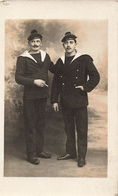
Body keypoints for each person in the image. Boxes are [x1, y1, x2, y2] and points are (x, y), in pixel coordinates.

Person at [51, 32, 100, 167]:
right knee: (68, 128)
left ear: (75, 44)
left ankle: (81, 157)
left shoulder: (84, 59)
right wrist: (54, 100)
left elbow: (95, 76)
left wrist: (85, 87)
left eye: (71, 42)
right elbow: (56, 82)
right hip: (65, 100)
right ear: (63, 45)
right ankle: (70, 152)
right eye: (66, 43)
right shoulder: (61, 61)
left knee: (82, 129)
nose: (68, 45)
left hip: (79, 100)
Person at [15, 29, 56, 165]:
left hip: (43, 96)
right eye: (33, 41)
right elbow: (18, 78)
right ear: (29, 43)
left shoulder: (46, 56)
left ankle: (39, 151)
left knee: (40, 124)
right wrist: (34, 81)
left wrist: (69, 69)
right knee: (31, 124)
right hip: (30, 97)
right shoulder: (23, 58)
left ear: (41, 42)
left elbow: (54, 69)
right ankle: (31, 155)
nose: (35, 44)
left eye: (38, 41)